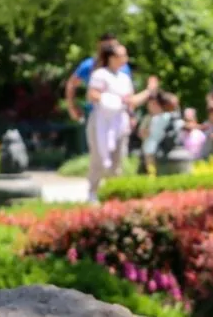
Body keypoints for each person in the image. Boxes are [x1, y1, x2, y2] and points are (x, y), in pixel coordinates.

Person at [78, 38, 156, 201]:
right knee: (98, 158)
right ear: (112, 57)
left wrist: (148, 91)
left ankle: (113, 195)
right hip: (102, 122)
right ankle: (93, 193)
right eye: (122, 55)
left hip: (119, 122)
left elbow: (131, 101)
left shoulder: (124, 78)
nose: (125, 58)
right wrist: (112, 100)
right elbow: (92, 95)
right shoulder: (100, 74)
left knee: (118, 160)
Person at [139, 90, 184, 174]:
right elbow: (180, 124)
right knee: (154, 171)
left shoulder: (158, 118)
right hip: (154, 150)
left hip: (153, 149)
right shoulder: (164, 118)